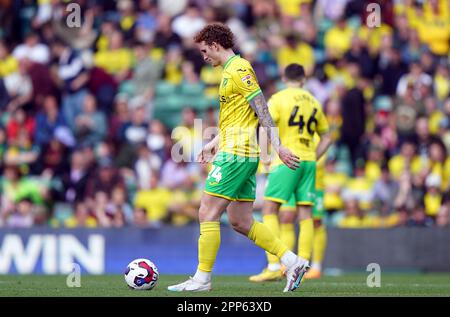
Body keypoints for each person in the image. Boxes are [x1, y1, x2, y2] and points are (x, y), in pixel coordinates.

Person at [168, 23, 305, 293]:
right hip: (235, 149)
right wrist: (214, 142)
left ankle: (202, 279)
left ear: (216, 45)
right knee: (241, 221)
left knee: (207, 211)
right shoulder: (228, 71)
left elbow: (261, 108)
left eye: (205, 50)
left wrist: (278, 147)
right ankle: (292, 261)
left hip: (237, 153)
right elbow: (240, 117)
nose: (203, 56)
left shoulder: (240, 69)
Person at [248, 63, 332, 282]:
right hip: (309, 162)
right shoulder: (314, 102)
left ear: (284, 78)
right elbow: (328, 136)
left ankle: (275, 265)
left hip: (286, 161)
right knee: (305, 214)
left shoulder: (279, 99)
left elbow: (266, 124)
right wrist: (314, 155)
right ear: (303, 79)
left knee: (269, 209)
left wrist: (266, 157)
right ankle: (301, 267)